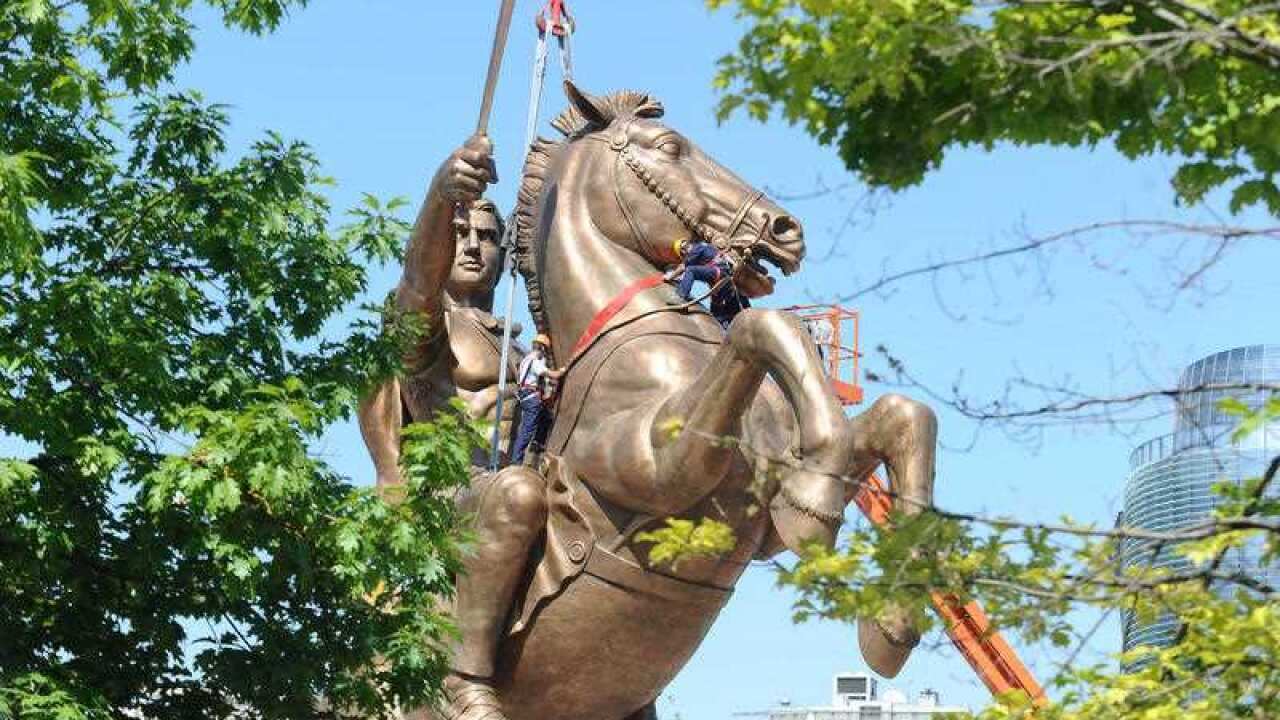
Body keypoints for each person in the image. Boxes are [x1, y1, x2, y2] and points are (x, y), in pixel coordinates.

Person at [356, 134, 546, 720]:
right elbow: (418, 280)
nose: (472, 247)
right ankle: (464, 679)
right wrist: (443, 197)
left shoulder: (522, 343)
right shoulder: (428, 325)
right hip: (448, 491)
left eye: (486, 237)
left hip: (519, 485)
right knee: (516, 493)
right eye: (461, 235)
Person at [670, 237, 745, 328]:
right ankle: (727, 325)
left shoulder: (697, 248)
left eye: (684, 249)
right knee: (716, 316)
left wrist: (670, 277)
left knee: (691, 270)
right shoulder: (706, 248)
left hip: (719, 273)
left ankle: (680, 297)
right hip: (725, 284)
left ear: (683, 251)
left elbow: (683, 267)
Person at [511, 334, 555, 464]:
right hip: (531, 398)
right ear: (541, 348)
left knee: (546, 416)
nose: (545, 354)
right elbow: (552, 374)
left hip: (526, 396)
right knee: (526, 431)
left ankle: (537, 443)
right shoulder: (535, 362)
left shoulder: (526, 359)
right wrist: (564, 370)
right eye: (545, 350)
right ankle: (516, 462)